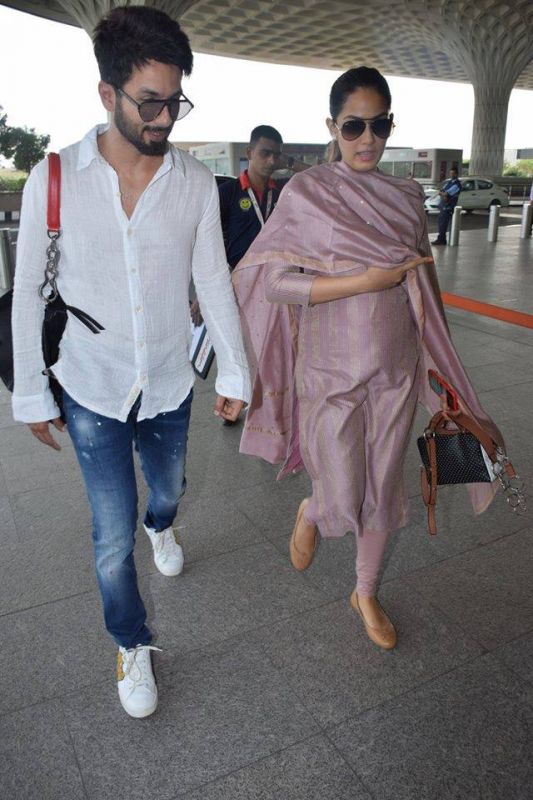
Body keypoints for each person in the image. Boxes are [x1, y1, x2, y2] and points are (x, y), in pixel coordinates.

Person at [11, 6, 250, 718]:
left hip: (171, 380)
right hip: (90, 383)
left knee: (167, 489)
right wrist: (30, 393)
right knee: (109, 533)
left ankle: (162, 522)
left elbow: (212, 282)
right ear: (106, 93)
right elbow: (28, 290)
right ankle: (130, 641)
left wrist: (235, 373)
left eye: (175, 99)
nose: (165, 117)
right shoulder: (52, 180)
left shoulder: (194, 184)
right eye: (150, 101)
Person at [232, 67, 502, 651]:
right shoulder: (308, 193)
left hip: (395, 367)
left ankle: (366, 590)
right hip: (328, 370)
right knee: (339, 483)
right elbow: (274, 282)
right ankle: (312, 506)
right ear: (332, 126)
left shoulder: (406, 197)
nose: (367, 139)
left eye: (380, 125)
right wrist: (363, 280)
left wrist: (440, 370)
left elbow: (422, 294)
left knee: (382, 484)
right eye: (354, 125)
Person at [190, 125, 284, 425]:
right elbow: (208, 245)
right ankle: (233, 397)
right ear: (249, 153)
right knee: (236, 343)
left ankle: (268, 408)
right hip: (235, 284)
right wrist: (201, 297)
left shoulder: (281, 194)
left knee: (271, 348)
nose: (270, 161)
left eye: (275, 155)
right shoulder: (228, 193)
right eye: (264, 153)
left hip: (271, 284)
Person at [432, 167, 462, 245]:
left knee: (443, 223)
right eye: (450, 173)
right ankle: (442, 239)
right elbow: (441, 191)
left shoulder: (457, 185)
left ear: (456, 174)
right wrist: (444, 194)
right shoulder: (449, 182)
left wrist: (444, 194)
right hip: (444, 205)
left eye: (453, 173)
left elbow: (446, 193)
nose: (451, 175)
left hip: (448, 206)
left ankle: (441, 239)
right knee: (440, 222)